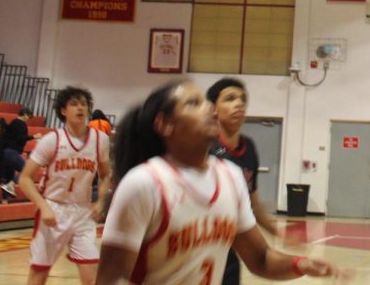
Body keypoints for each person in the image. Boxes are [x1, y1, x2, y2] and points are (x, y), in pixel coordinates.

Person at [96, 80, 337, 285]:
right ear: (165, 124)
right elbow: (110, 278)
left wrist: (301, 264)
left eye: (207, 101)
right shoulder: (144, 183)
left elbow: (260, 259)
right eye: (194, 103)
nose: (209, 108)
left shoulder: (230, 176)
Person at [17, 86, 111, 285]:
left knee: (92, 276)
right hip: (54, 209)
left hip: (82, 211)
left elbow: (106, 174)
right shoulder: (52, 140)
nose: (80, 108)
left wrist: (101, 201)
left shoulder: (100, 140)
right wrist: (44, 207)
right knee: (38, 275)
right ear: (63, 110)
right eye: (74, 104)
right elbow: (24, 178)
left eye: (84, 104)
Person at [207, 77, 280, 285]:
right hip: (199, 241)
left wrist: (276, 231)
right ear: (213, 108)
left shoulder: (248, 147)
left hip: (229, 245)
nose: (239, 103)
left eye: (242, 99)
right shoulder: (204, 146)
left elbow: (253, 201)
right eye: (230, 99)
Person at [0, 106, 37, 196]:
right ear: (24, 114)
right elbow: (20, 138)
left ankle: (4, 199)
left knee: (9, 177)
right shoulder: (21, 124)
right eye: (28, 117)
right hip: (13, 152)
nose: (28, 119)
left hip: (6, 152)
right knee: (27, 170)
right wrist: (34, 137)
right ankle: (10, 186)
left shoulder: (13, 123)